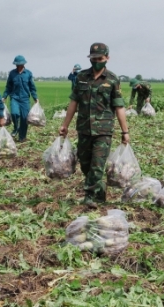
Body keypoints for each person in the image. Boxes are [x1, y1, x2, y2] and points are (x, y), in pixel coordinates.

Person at [59, 42, 130, 208]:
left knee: (97, 165)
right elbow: (73, 102)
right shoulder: (82, 77)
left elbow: (119, 106)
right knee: (85, 164)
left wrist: (125, 131)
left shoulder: (112, 80)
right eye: (93, 58)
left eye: (100, 58)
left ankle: (89, 196)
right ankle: (99, 188)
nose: (96, 61)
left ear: (107, 58)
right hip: (84, 128)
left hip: (103, 130)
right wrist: (65, 125)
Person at [2, 55, 38, 142]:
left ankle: (22, 137)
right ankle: (15, 128)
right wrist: (4, 96)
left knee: (25, 118)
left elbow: (32, 87)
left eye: (20, 64)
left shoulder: (28, 74)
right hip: (14, 97)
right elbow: (8, 87)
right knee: (14, 113)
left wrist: (35, 98)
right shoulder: (12, 74)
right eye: (17, 65)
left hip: (25, 99)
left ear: (23, 64)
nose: (18, 66)